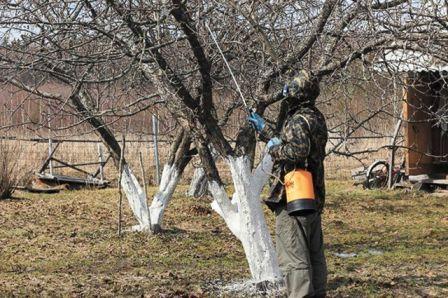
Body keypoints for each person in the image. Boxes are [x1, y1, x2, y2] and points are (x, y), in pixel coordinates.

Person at [248, 70, 328, 297]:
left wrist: (274, 148)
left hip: (293, 198)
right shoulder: (316, 117)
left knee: (294, 259)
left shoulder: (297, 121)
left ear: (295, 94)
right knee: (314, 257)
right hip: (312, 195)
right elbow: (296, 141)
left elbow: (296, 150)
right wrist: (265, 131)